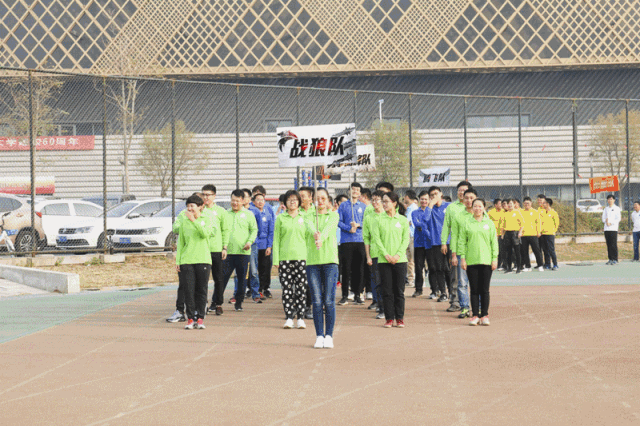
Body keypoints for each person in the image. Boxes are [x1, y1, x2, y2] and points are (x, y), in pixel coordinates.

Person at [305, 188, 339, 348]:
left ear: (328, 200)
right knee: (317, 301)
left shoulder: (333, 215)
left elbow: (329, 229)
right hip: (313, 262)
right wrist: (315, 234)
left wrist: (321, 238)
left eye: (323, 198)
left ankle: (329, 335)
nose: (320, 201)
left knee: (329, 300)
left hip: (330, 261)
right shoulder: (308, 215)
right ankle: (319, 335)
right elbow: (310, 226)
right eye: (317, 198)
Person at [174, 194, 214, 330]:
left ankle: (200, 318)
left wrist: (194, 221)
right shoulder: (184, 222)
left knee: (201, 290)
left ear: (200, 207)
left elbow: (205, 234)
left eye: (192, 206)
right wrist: (178, 260)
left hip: (203, 260)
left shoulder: (206, 219)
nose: (190, 209)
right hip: (187, 260)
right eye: (188, 206)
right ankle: (190, 319)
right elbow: (181, 243)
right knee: (188, 290)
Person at [273, 190, 310, 329]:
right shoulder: (281, 218)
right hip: (285, 259)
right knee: (287, 290)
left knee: (301, 289)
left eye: (295, 199)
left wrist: (309, 258)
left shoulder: (305, 217)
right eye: (289, 200)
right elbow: (276, 240)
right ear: (285, 203)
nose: (292, 202)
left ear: (299, 202)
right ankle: (289, 317)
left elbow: (308, 239)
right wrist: (276, 260)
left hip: (302, 258)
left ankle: (300, 317)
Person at [459, 198, 498, 326]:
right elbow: (462, 242)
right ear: (472, 208)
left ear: (484, 208)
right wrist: (463, 258)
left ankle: (484, 315)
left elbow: (494, 242)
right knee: (474, 290)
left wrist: (494, 258)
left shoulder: (489, 223)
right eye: (475, 206)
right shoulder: (467, 223)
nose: (477, 208)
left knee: (485, 290)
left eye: (480, 206)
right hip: (471, 261)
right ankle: (475, 315)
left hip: (486, 261)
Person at [373, 192, 410, 328]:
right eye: (383, 201)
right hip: (384, 261)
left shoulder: (403, 220)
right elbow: (377, 239)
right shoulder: (378, 219)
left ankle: (399, 318)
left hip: (400, 261)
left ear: (394, 203)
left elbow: (405, 239)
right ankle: (389, 318)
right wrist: (386, 255)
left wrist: (397, 255)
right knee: (387, 291)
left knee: (399, 291)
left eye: (386, 201)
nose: (384, 204)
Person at [223, 189, 258, 312]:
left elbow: (254, 230)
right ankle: (216, 302)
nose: (234, 203)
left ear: (243, 201)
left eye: (237, 201)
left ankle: (238, 303)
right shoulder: (226, 214)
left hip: (243, 253)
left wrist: (249, 242)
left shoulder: (249, 214)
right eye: (233, 200)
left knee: (242, 279)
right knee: (222, 278)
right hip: (227, 252)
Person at [441, 180, 472, 311]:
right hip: (457, 247)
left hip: (473, 248)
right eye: (459, 190)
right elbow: (446, 226)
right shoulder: (452, 207)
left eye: (464, 190)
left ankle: (473, 304)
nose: (461, 192)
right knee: (456, 276)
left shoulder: (475, 207)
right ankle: (455, 301)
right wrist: (444, 242)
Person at [201, 184, 230, 316]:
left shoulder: (221, 211)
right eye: (204, 194)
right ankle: (203, 304)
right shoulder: (200, 210)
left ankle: (218, 304)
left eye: (208, 195)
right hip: (203, 250)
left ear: (214, 196)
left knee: (218, 278)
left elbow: (225, 230)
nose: (206, 197)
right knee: (203, 279)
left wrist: (224, 247)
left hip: (217, 249)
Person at [449, 188, 477, 318]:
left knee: (477, 282)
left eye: (472, 198)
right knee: (462, 282)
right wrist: (454, 255)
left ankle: (478, 308)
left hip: (477, 254)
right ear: (463, 199)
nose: (469, 200)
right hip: (461, 254)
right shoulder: (458, 216)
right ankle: (465, 307)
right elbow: (454, 236)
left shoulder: (481, 215)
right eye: (466, 198)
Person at [337, 182, 366, 305]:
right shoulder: (343, 206)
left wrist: (358, 225)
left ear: (360, 193)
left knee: (358, 269)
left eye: (357, 190)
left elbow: (367, 222)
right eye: (353, 189)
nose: (355, 191)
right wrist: (348, 228)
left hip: (359, 241)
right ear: (349, 191)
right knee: (346, 269)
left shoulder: (363, 206)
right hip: (346, 241)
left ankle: (358, 294)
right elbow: (338, 221)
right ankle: (344, 295)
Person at [425, 186, 451, 302]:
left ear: (441, 194)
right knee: (439, 268)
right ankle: (443, 292)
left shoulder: (448, 206)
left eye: (436, 193)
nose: (434, 196)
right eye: (432, 195)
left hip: (449, 241)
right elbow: (425, 219)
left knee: (449, 268)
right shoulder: (429, 208)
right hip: (436, 242)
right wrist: (430, 205)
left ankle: (452, 291)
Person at [363, 190, 385, 319]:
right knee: (378, 282)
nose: (375, 202)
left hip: (388, 254)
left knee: (388, 282)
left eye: (377, 200)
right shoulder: (368, 217)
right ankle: (381, 308)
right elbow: (366, 238)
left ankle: (390, 307)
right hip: (375, 254)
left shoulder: (388, 216)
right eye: (373, 200)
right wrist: (368, 256)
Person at [299, 186, 316, 319]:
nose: (300, 199)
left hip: (312, 252)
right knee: (298, 281)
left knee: (310, 282)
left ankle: (308, 307)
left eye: (303, 196)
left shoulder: (316, 212)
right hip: (298, 251)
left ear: (310, 198)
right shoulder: (295, 212)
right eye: (299, 196)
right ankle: (298, 306)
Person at [253, 192, 275, 298]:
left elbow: (271, 231)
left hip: (265, 245)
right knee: (254, 269)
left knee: (265, 268)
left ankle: (265, 288)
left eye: (262, 200)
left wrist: (269, 246)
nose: (260, 202)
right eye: (257, 200)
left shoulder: (268, 214)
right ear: (254, 202)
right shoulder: (251, 214)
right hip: (254, 245)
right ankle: (254, 289)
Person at [411, 190, 432, 298]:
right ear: (419, 200)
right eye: (422, 199)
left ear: (429, 200)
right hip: (418, 243)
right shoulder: (414, 212)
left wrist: (423, 224)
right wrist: (425, 225)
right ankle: (418, 289)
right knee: (418, 267)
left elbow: (429, 225)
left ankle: (435, 289)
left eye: (426, 199)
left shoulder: (431, 211)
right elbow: (416, 224)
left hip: (430, 243)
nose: (424, 201)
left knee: (432, 267)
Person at [520, 197, 544, 272]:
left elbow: (538, 222)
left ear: (531, 203)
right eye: (525, 203)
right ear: (523, 204)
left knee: (536, 250)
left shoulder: (535, 212)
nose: (526, 204)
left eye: (528, 203)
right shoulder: (521, 212)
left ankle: (540, 265)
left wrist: (538, 231)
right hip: (524, 235)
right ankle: (528, 266)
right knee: (524, 251)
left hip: (533, 234)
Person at [500, 199, 524, 274]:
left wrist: (520, 232)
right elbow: (503, 225)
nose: (509, 205)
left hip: (515, 233)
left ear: (514, 204)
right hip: (507, 233)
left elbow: (522, 224)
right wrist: (502, 234)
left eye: (511, 203)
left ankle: (518, 268)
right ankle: (509, 268)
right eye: (508, 204)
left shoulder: (517, 212)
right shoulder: (505, 214)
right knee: (508, 251)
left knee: (517, 251)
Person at [404, 190, 419, 288]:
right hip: (408, 236)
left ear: (407, 197)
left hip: (413, 236)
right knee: (409, 259)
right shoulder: (409, 208)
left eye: (405, 196)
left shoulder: (413, 207)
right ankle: (410, 279)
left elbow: (409, 222)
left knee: (414, 259)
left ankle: (418, 280)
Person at [540, 197, 559, 270]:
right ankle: (547, 264)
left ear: (548, 204)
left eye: (544, 203)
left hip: (550, 234)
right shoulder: (542, 212)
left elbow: (556, 223)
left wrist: (553, 231)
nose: (543, 204)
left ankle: (555, 264)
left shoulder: (553, 213)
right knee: (545, 250)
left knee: (551, 250)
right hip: (542, 234)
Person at [602, 194, 621, 265]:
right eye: (608, 199)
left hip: (613, 229)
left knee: (613, 244)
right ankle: (610, 259)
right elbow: (603, 218)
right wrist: (606, 221)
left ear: (614, 200)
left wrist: (611, 223)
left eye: (611, 199)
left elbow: (618, 219)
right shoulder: (606, 209)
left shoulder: (617, 208)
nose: (610, 200)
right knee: (608, 244)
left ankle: (615, 259)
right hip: (606, 229)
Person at [487, 198, 505, 271]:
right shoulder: (490, 213)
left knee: (501, 249)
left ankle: (500, 264)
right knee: (493, 249)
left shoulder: (504, 212)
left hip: (502, 234)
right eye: (500, 204)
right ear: (495, 205)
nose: (501, 205)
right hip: (493, 234)